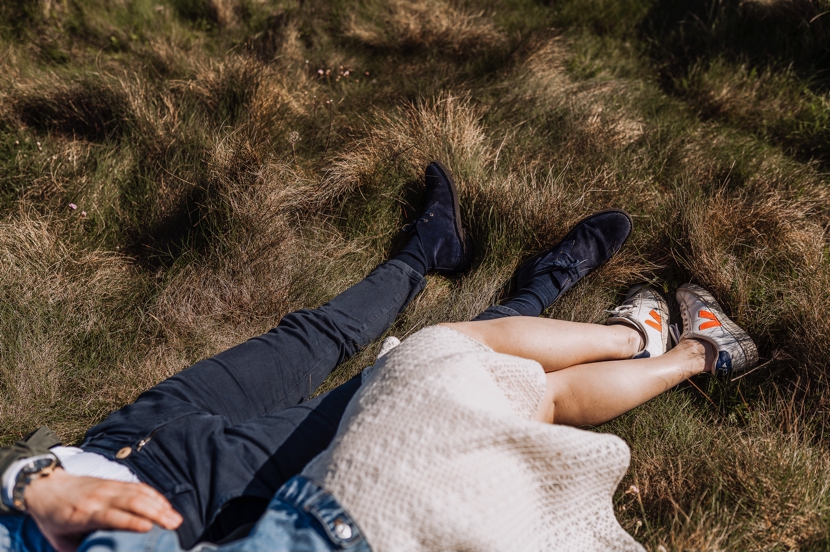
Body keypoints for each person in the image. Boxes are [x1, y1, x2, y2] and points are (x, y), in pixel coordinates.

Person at [0, 162, 636, 551]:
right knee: (429, 377)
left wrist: (29, 484)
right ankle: (544, 286)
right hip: (211, 492)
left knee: (309, 336)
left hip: (123, 437)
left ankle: (426, 253)